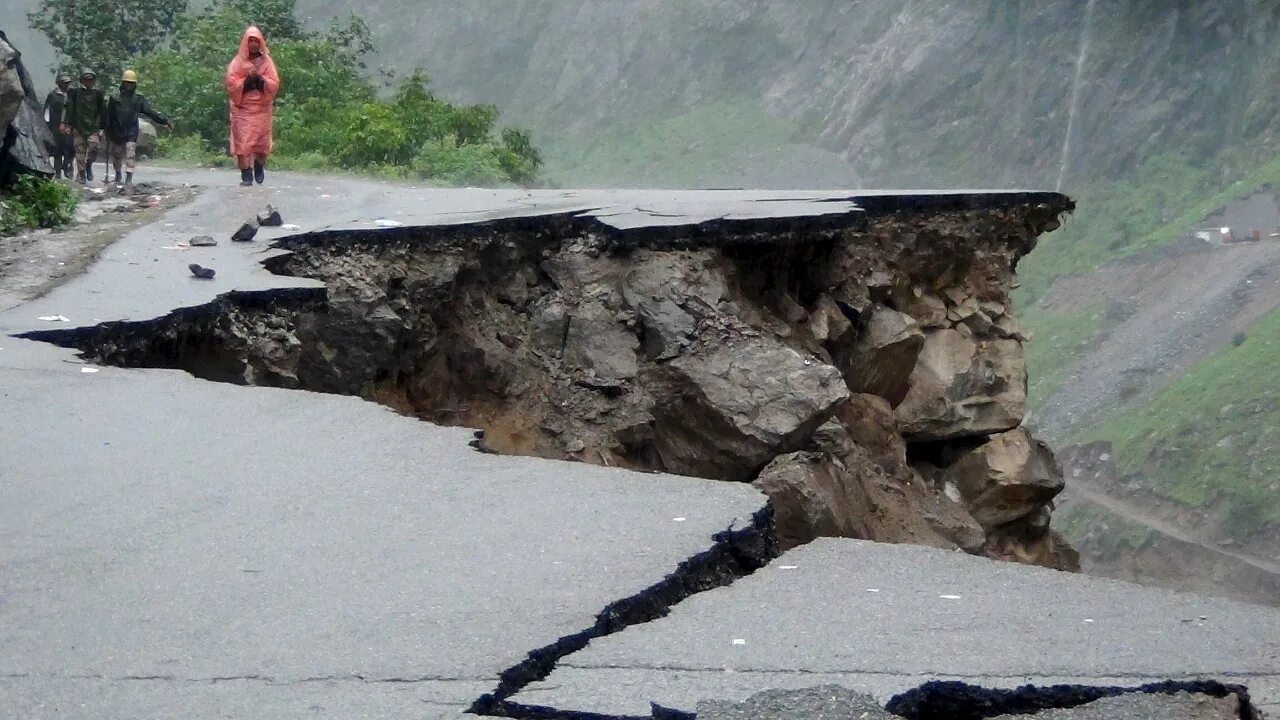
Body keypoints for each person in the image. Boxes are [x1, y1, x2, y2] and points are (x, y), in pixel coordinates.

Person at [224, 26, 280, 187]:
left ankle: (259, 165)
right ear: (245, 44)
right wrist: (247, 81)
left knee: (262, 144)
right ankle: (246, 174)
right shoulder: (237, 62)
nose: (254, 45)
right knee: (243, 142)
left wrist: (261, 80)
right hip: (242, 109)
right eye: (251, 41)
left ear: (261, 42)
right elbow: (231, 83)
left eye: (256, 41)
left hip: (262, 109)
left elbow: (274, 83)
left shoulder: (267, 62)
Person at [104, 69, 170, 187]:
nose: (129, 85)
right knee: (117, 155)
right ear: (123, 83)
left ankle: (129, 178)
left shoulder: (138, 100)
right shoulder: (115, 99)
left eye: (131, 83)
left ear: (134, 84)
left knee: (130, 153)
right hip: (116, 131)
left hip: (131, 131)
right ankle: (118, 174)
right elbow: (109, 116)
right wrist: (106, 130)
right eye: (127, 83)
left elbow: (150, 112)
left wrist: (164, 120)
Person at [62, 68, 107, 184]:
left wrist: (103, 128)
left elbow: (103, 112)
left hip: (93, 127)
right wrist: (67, 124)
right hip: (78, 126)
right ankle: (81, 175)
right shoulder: (75, 93)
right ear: (82, 80)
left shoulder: (98, 94)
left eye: (90, 80)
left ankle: (88, 165)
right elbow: (70, 109)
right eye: (86, 79)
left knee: (94, 147)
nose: (88, 82)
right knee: (80, 152)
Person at [42, 73, 74, 179]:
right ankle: (58, 172)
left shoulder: (71, 95)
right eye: (64, 83)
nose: (66, 85)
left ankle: (67, 166)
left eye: (67, 83)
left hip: (69, 126)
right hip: (55, 126)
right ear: (59, 83)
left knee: (71, 149)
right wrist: (47, 126)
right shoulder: (53, 95)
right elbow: (47, 111)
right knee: (57, 150)